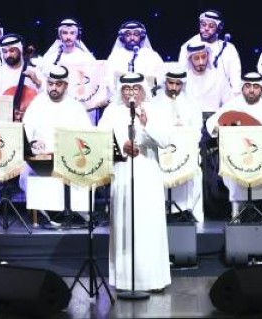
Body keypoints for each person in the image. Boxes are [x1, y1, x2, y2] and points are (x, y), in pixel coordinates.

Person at [101, 72, 171, 293]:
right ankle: (125, 281)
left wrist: (147, 125)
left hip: (148, 173)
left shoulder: (154, 110)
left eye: (135, 89)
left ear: (142, 90)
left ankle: (151, 280)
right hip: (122, 173)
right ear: (120, 91)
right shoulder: (111, 112)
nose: (131, 93)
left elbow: (166, 140)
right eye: (126, 89)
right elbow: (100, 139)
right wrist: (122, 146)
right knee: (125, 225)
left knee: (148, 225)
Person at [206, 73, 262, 221]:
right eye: (247, 86)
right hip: (237, 153)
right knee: (231, 165)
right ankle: (237, 209)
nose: (251, 90)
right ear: (242, 88)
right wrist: (220, 128)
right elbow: (211, 123)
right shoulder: (233, 105)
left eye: (256, 86)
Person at [20, 65, 92, 227]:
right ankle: (49, 213)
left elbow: (86, 136)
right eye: (50, 83)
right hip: (41, 158)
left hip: (70, 158)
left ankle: (75, 213)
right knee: (27, 172)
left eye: (58, 84)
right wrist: (33, 142)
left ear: (65, 85)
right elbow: (26, 131)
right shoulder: (37, 103)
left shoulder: (75, 107)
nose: (53, 88)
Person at [150, 68, 204, 225]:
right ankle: (161, 212)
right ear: (165, 82)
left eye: (178, 84)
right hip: (160, 152)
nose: (173, 87)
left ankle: (187, 210)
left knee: (194, 167)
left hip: (185, 152)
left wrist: (184, 135)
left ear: (183, 84)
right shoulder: (153, 104)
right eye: (170, 83)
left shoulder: (192, 105)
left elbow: (197, 131)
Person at [176, 10, 242, 98]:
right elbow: (182, 75)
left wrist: (236, 97)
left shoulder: (229, 48)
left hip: (222, 98)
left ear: (219, 27)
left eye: (211, 26)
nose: (206, 28)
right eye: (203, 25)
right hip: (195, 97)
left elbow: (235, 78)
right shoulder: (189, 46)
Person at [0, 34, 42, 120]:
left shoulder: (34, 72)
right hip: (4, 119)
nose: (8, 55)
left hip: (30, 120)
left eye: (12, 51)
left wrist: (37, 82)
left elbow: (48, 95)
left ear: (20, 50)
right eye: (5, 52)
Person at [105, 21, 166, 92]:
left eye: (136, 34)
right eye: (128, 34)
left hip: (148, 96)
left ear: (141, 36)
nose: (132, 38)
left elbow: (161, 78)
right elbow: (109, 80)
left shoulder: (152, 55)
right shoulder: (115, 56)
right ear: (122, 37)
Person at [183, 43, 229, 112]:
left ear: (208, 56)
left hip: (214, 117)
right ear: (190, 59)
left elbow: (229, 103)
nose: (201, 62)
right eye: (196, 58)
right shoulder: (184, 79)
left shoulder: (219, 77)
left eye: (204, 57)